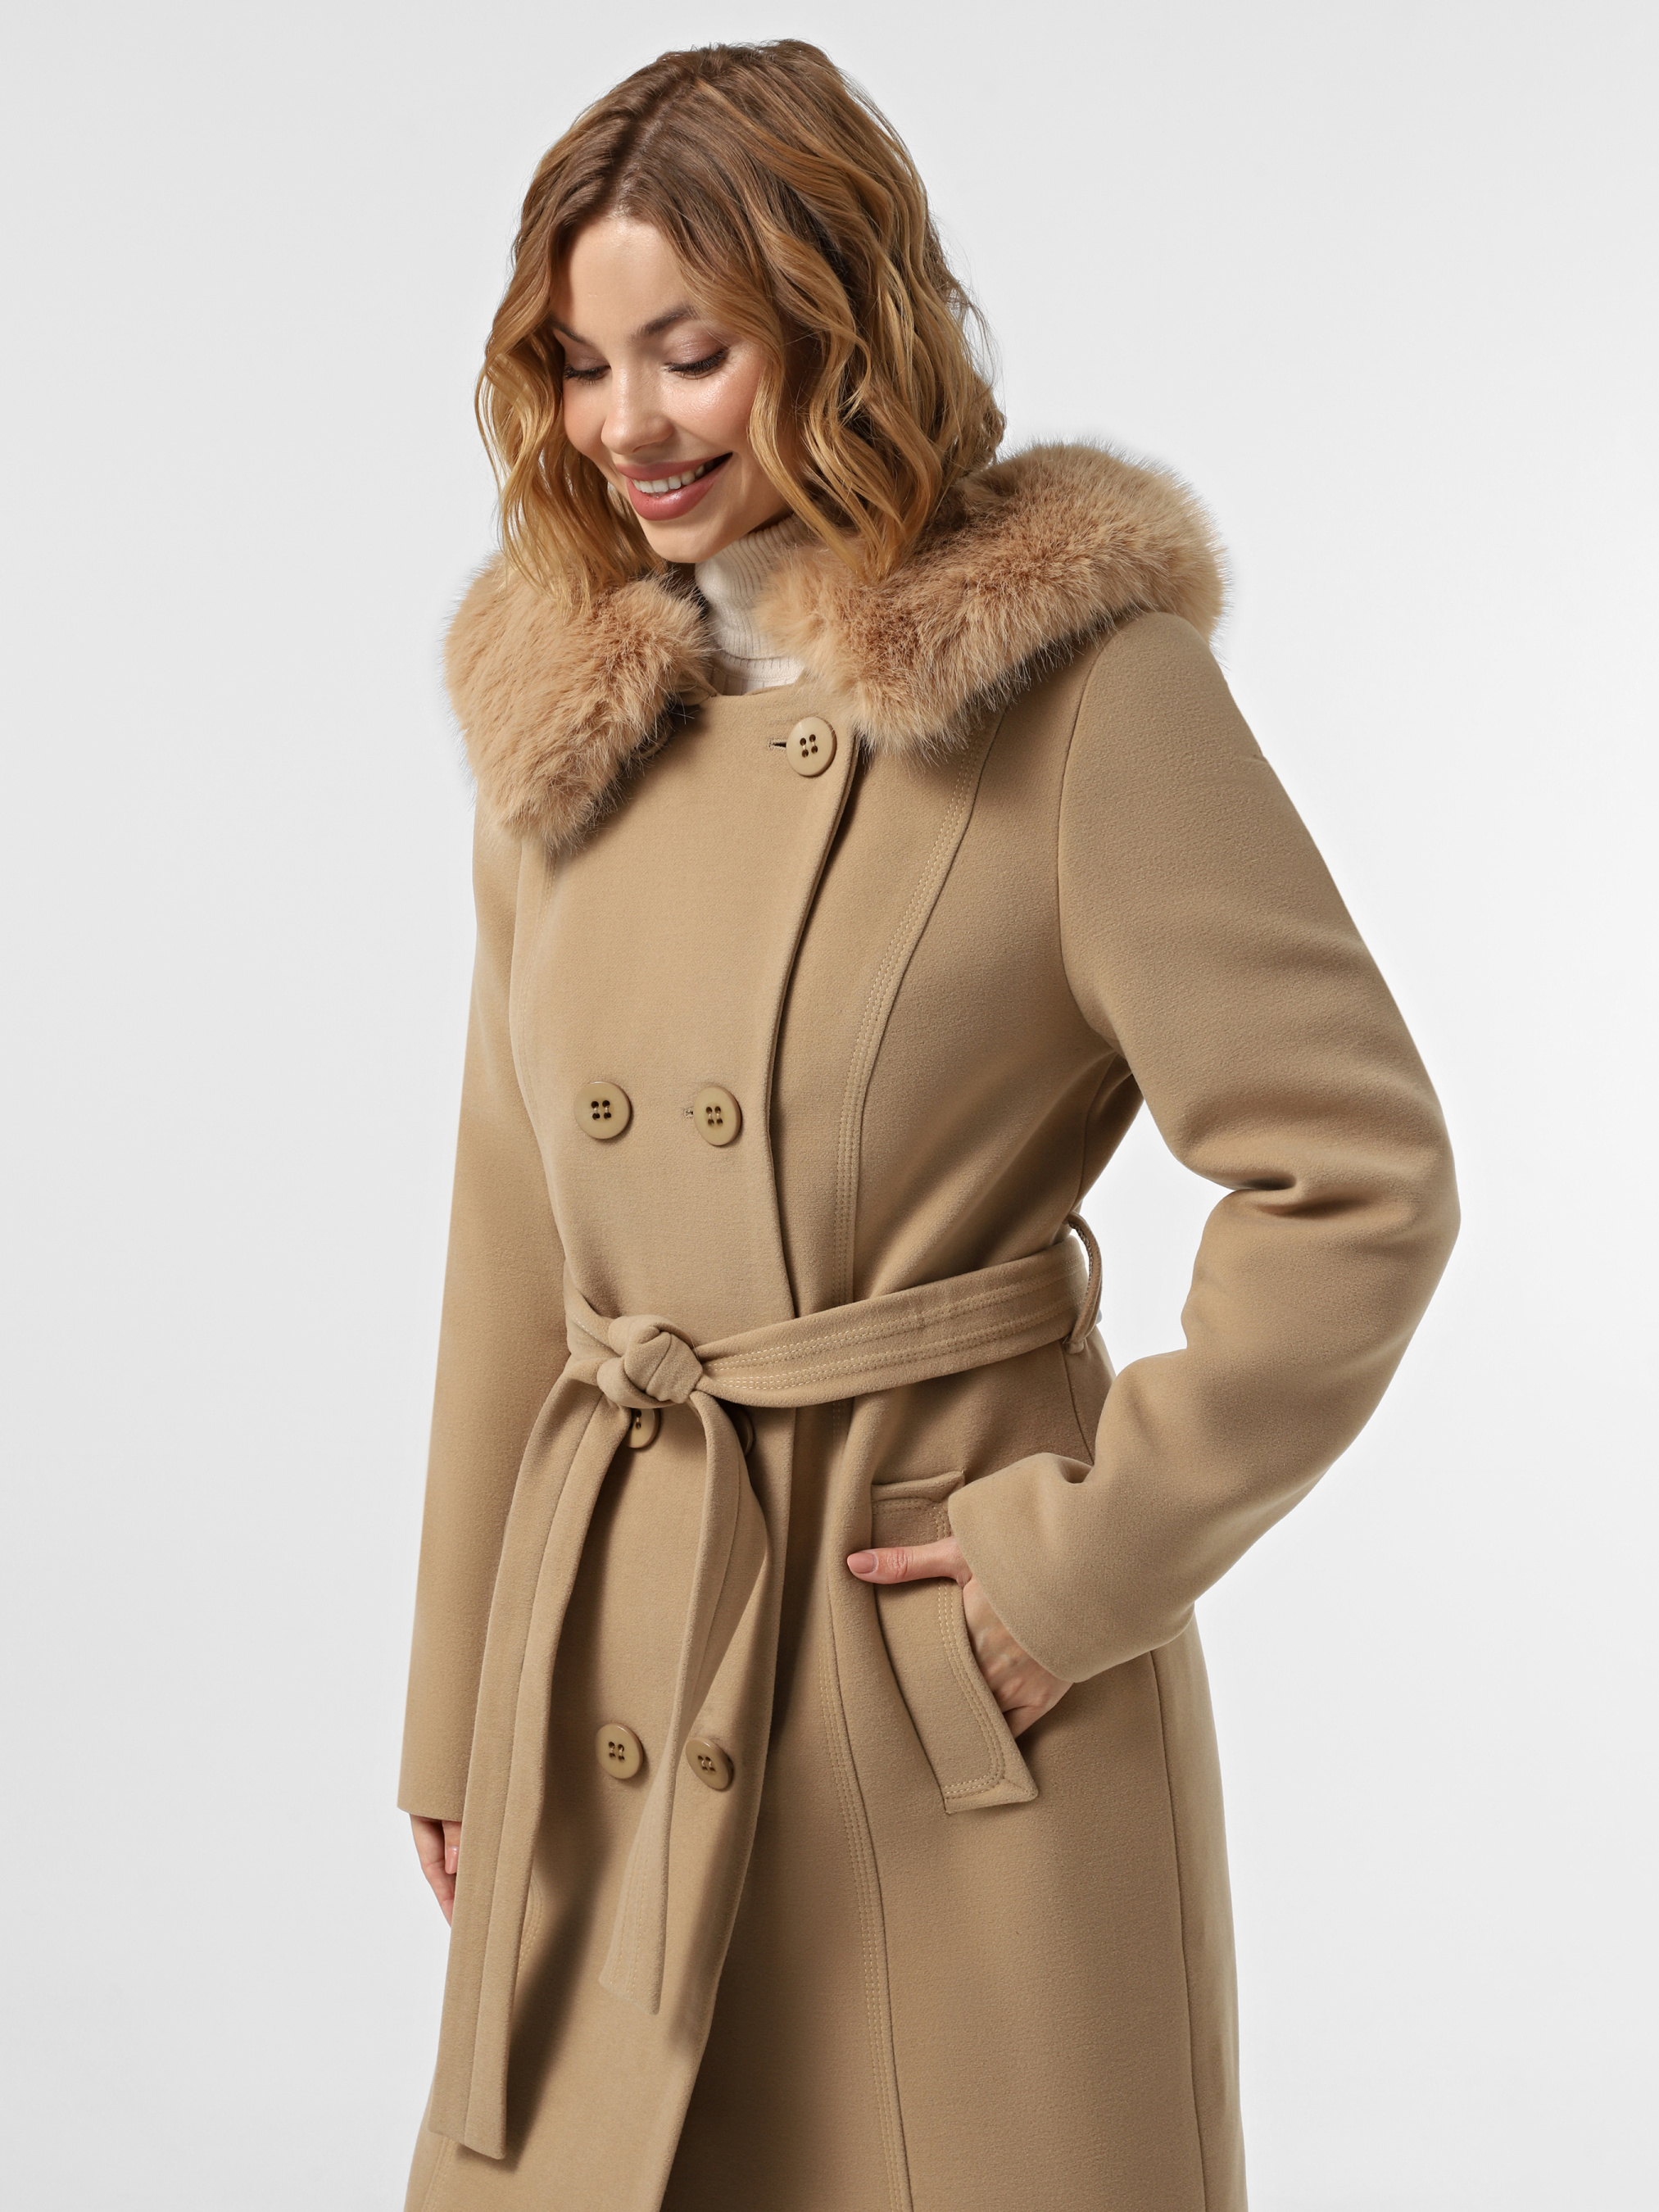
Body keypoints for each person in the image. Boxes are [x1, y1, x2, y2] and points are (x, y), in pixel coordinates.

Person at [397, 39, 1457, 2212]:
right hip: (622, 1661)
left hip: (936, 1698)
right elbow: (514, 1233)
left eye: (689, 351)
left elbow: (1353, 1178)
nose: (626, 424)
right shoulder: (568, 711)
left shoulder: (1080, 694)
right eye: (579, 363)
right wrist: (461, 1705)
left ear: (840, 322)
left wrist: (1078, 1566)